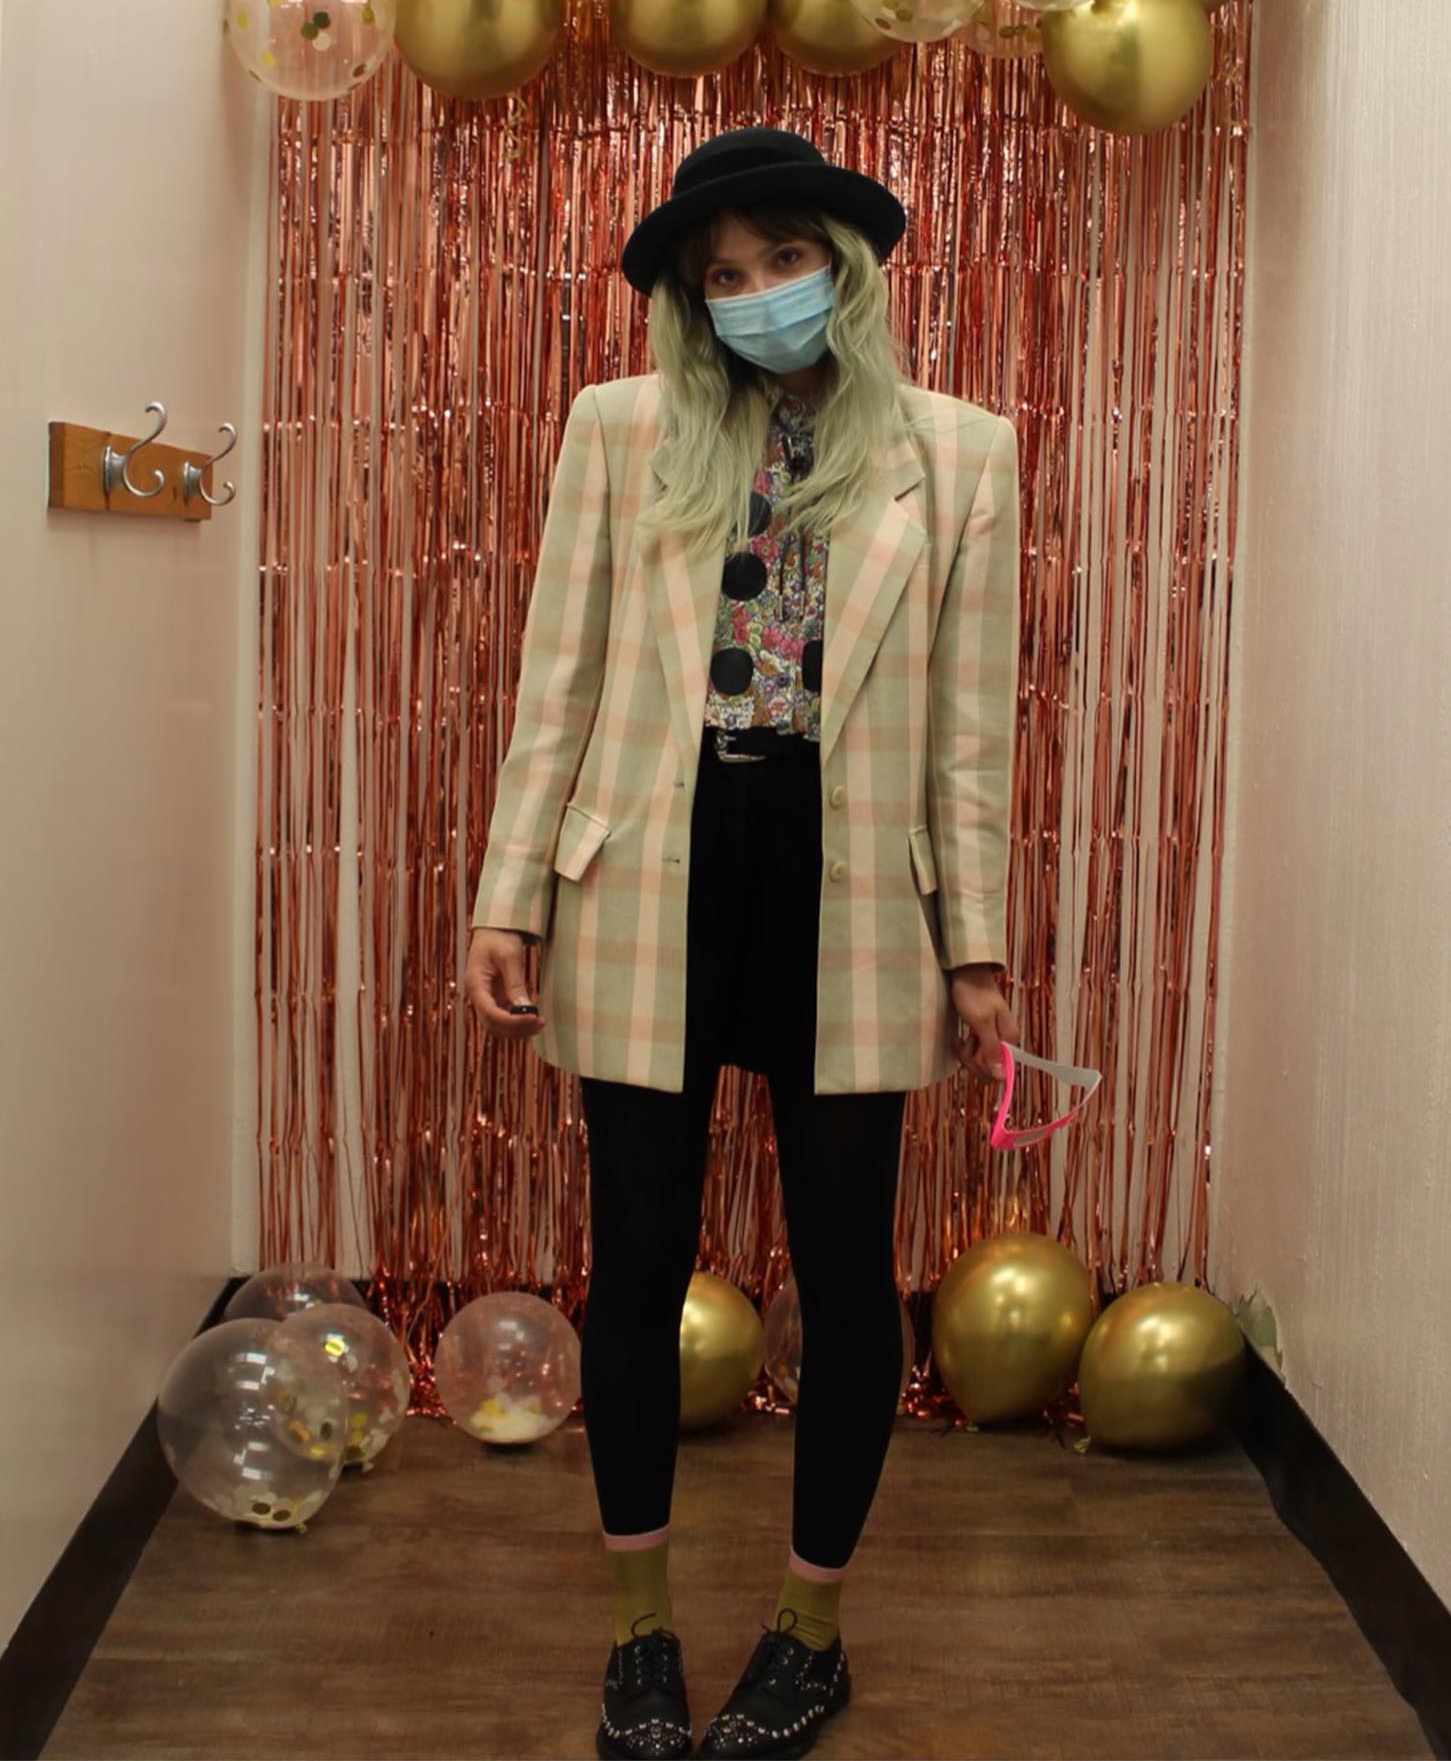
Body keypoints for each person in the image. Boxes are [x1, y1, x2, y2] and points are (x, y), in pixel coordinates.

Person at [464, 126, 1022, 1760]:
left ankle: (808, 1628)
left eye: (784, 261)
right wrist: (511, 893)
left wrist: (973, 942)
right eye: (721, 278)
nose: (757, 295)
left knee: (848, 1272)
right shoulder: (620, 433)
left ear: (843, 270)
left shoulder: (962, 453)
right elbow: (554, 677)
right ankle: (638, 1633)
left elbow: (970, 736)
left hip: (851, 892)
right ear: (686, 309)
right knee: (635, 1261)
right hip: (648, 875)